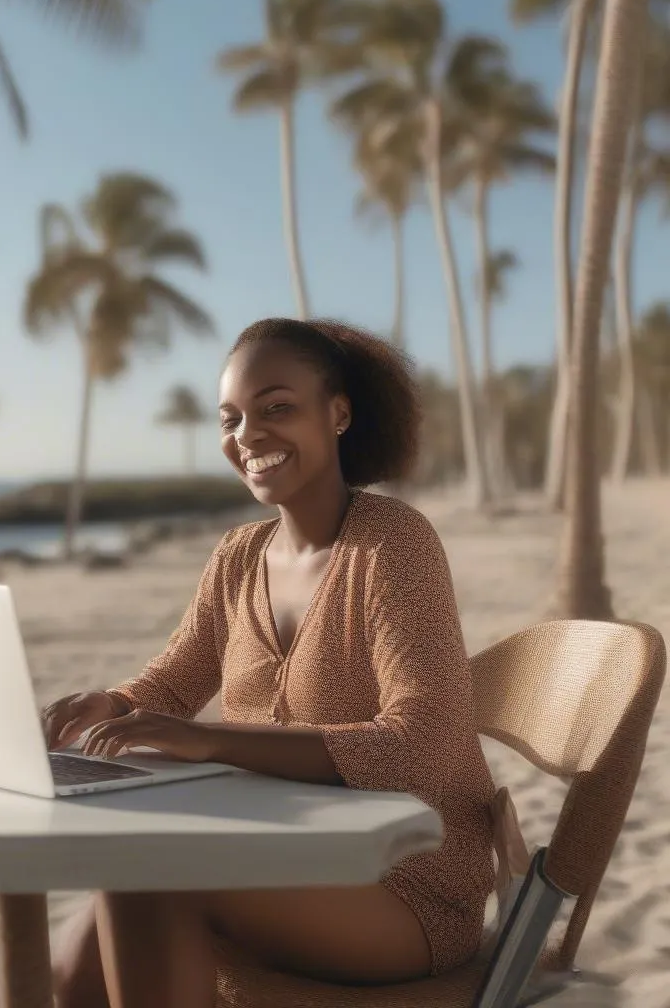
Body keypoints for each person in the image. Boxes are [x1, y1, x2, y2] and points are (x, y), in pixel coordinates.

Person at [41, 318, 496, 1008]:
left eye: (276, 408)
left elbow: (422, 745)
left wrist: (209, 740)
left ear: (337, 413)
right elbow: (173, 681)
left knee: (151, 876)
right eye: (231, 419)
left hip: (402, 883)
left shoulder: (392, 546)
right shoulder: (237, 557)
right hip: (271, 853)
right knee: (73, 967)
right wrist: (116, 705)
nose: (248, 435)